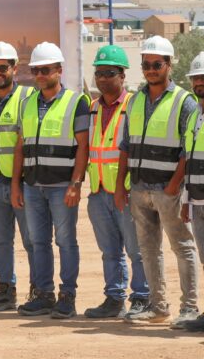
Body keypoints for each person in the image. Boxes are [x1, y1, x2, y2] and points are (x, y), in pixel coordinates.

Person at [116, 35, 200, 327]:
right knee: (148, 249)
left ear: (169, 64)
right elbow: (126, 145)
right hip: (139, 188)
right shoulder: (136, 100)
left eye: (156, 64)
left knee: (182, 246)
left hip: (168, 190)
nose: (150, 69)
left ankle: (189, 307)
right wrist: (121, 186)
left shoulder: (184, 101)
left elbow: (187, 148)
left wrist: (175, 184)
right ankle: (157, 305)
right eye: (146, 64)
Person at [11, 41, 90, 319]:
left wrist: (76, 183)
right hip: (33, 186)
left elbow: (83, 146)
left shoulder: (76, 102)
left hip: (62, 187)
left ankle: (67, 295)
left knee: (66, 242)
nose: (40, 75)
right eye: (36, 70)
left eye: (45, 69)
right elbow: (21, 145)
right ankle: (43, 294)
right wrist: (15, 185)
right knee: (38, 242)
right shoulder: (27, 103)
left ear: (59, 70)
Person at [83, 45, 149, 318]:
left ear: (122, 75)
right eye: (99, 73)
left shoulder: (133, 106)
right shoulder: (93, 108)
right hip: (98, 191)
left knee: (137, 249)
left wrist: (127, 188)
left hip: (126, 191)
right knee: (109, 251)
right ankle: (114, 298)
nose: (102, 78)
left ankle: (143, 297)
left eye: (109, 73)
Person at [0, 41, 36, 311]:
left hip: (22, 183)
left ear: (15, 68)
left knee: (32, 239)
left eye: (3, 67)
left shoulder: (28, 98)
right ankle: (6, 288)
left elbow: (24, 141)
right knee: (0, 241)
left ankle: (38, 288)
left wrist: (17, 182)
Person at [181, 52, 204, 332]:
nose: (200, 82)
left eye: (203, 78)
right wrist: (187, 200)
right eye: (196, 78)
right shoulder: (194, 117)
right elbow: (190, 157)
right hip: (197, 199)